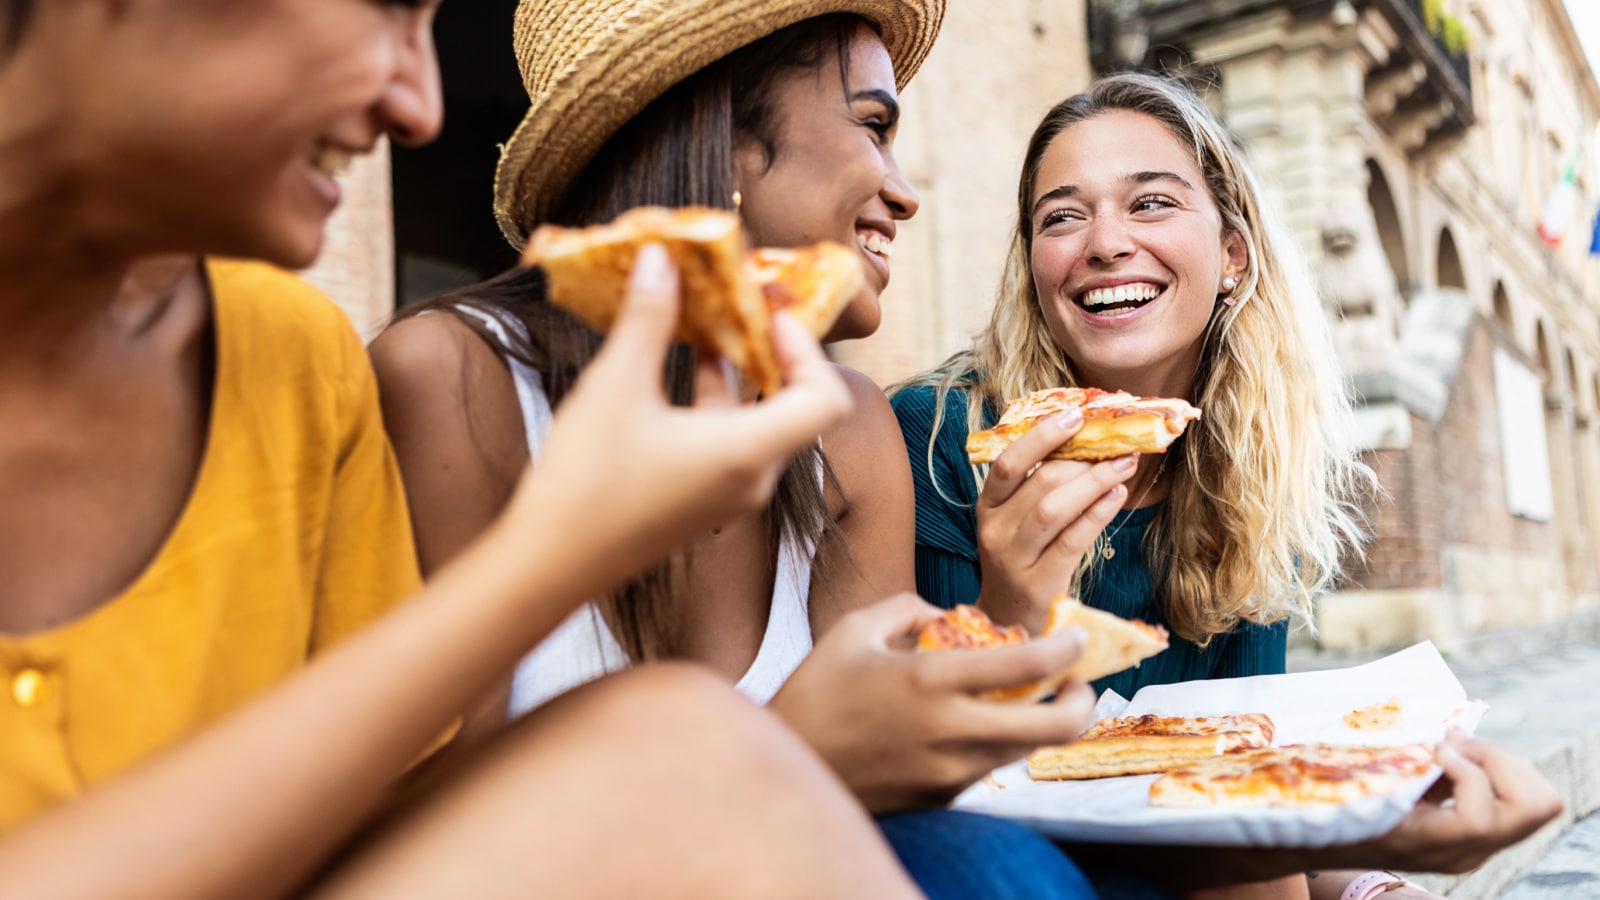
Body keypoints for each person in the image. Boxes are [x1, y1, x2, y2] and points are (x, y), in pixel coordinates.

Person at [0, 1, 926, 896]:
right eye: (387, 9)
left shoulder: (300, 369)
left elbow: (389, 829)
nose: (422, 108)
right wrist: (564, 555)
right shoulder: (429, 376)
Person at [372, 2, 1146, 897]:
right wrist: (787, 748)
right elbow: (423, 844)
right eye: (872, 126)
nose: (904, 191)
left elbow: (891, 798)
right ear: (728, 142)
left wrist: (1009, 611)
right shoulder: (454, 380)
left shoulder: (849, 429)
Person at [890, 71, 1561, 898]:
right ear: (1035, 269)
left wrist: (1371, 884)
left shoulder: (1247, 468)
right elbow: (918, 781)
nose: (1104, 242)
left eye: (1151, 203)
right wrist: (1011, 612)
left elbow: (1243, 781)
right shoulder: (938, 441)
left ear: (1231, 257)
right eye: (1061, 217)